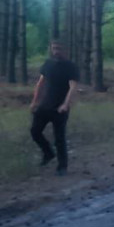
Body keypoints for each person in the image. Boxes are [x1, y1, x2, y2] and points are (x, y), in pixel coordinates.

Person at [29, 40, 78, 176]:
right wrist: (35, 101)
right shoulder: (48, 64)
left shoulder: (71, 66)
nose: (56, 51)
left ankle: (62, 167)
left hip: (60, 108)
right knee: (35, 131)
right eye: (54, 48)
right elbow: (40, 83)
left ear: (66, 50)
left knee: (59, 138)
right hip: (45, 105)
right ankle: (48, 153)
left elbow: (73, 87)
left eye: (59, 48)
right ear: (51, 49)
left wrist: (65, 104)